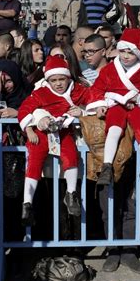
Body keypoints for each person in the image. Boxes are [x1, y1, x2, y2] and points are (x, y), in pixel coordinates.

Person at [87, 28, 140, 190]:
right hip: (116, 105)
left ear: (138, 53)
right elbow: (96, 89)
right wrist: (99, 105)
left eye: (130, 52)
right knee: (113, 128)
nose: (125, 56)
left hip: (137, 105)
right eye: (122, 51)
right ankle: (107, 166)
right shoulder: (110, 68)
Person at [17, 56, 90, 226]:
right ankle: (27, 203)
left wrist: (83, 111)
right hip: (41, 133)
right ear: (47, 80)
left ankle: (71, 194)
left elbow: (96, 102)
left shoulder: (78, 90)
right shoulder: (40, 93)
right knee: (34, 163)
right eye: (53, 80)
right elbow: (24, 109)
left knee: (71, 157)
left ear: (68, 77)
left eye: (61, 79)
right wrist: (28, 128)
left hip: (63, 132)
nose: (58, 83)